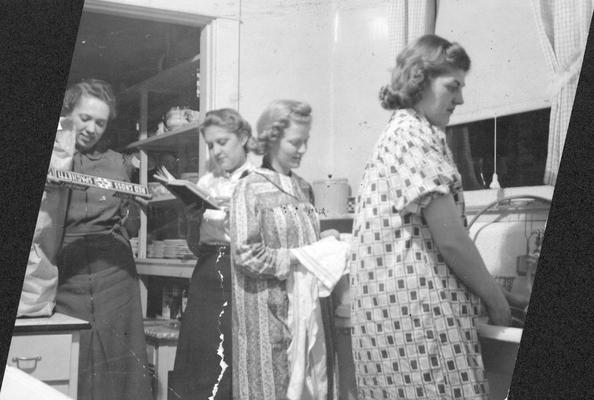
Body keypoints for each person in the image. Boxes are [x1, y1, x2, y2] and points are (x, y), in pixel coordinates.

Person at [349, 35, 517, 399]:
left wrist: (490, 288)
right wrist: (497, 301)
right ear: (420, 80)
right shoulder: (413, 135)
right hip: (421, 327)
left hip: (398, 326)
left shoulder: (403, 131)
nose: (461, 99)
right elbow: (451, 240)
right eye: (453, 87)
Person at [230, 100, 338, 400]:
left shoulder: (304, 188)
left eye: (305, 142)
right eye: (295, 142)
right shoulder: (248, 187)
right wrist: (297, 257)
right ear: (271, 138)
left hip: (306, 311)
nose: (302, 150)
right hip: (265, 315)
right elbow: (245, 253)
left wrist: (323, 239)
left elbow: (304, 239)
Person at [54, 79, 152, 400]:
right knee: (71, 363)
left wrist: (137, 210)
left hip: (116, 279)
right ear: (68, 113)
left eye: (100, 122)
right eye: (85, 118)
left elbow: (131, 225)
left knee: (120, 370)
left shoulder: (117, 163)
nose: (91, 129)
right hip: (68, 275)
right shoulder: (54, 156)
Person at [171, 108, 255, 400]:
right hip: (207, 273)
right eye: (211, 145)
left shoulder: (258, 181)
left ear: (243, 137)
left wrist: (236, 216)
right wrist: (192, 218)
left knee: (234, 356)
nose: (216, 151)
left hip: (242, 273)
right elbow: (196, 247)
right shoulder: (205, 183)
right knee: (201, 356)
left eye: (223, 142)